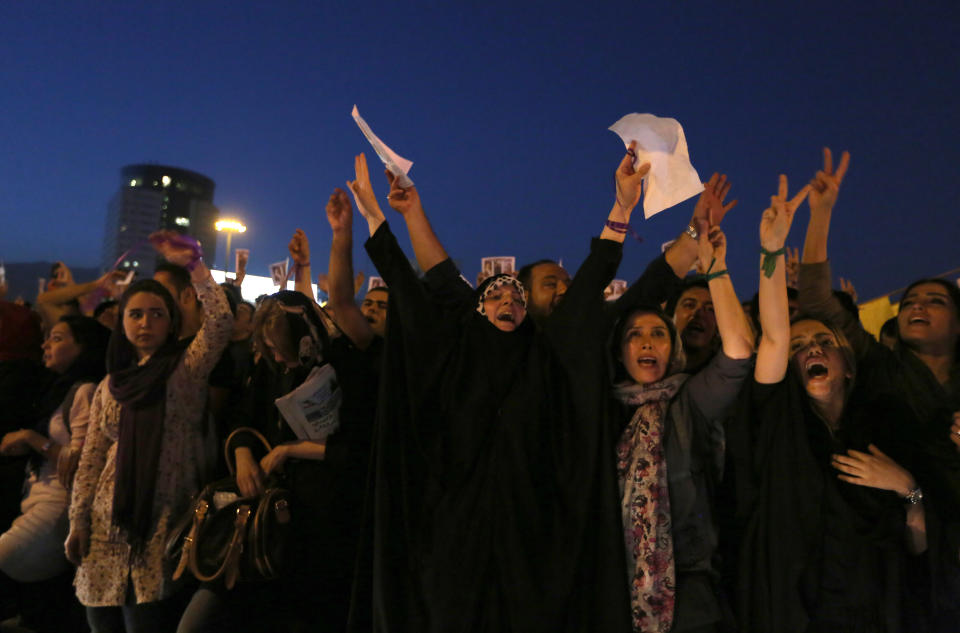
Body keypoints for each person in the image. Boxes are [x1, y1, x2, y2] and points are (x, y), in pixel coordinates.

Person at [345, 145, 647, 633]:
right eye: (496, 294)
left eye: (518, 296)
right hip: (451, 543)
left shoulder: (544, 358)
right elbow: (422, 279)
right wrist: (380, 217)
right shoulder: (457, 351)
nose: (508, 299)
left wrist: (622, 208)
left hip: (529, 550)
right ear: (478, 309)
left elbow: (591, 282)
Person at [178, 194, 379, 633]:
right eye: (265, 347)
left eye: (280, 345)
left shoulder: (343, 372)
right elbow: (243, 423)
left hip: (324, 528)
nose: (274, 355)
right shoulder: (268, 373)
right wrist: (247, 455)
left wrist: (291, 450)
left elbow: (357, 449)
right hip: (263, 525)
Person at [734, 174, 926, 632]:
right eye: (800, 347)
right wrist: (772, 253)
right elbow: (776, 333)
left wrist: (908, 490)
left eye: (824, 340)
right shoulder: (775, 421)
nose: (812, 349)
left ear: (849, 365)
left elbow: (917, 552)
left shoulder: (882, 433)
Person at [798, 148, 960, 628]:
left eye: (935, 301)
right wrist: (821, 215)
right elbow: (816, 301)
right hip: (908, 554)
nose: (917, 306)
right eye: (910, 300)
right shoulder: (881, 369)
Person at [65, 232, 232, 633]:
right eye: (135, 314)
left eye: (157, 313)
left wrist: (194, 267)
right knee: (101, 622)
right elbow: (92, 458)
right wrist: (78, 520)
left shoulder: (185, 370)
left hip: (162, 525)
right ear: (121, 323)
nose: (145, 323)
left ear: (172, 321)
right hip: (106, 527)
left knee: (146, 621)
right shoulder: (111, 386)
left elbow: (221, 323)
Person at [613, 216, 753, 631]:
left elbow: (738, 354)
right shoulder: (603, 409)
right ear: (619, 351)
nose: (646, 342)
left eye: (658, 333)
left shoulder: (686, 401)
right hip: (612, 584)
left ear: (671, 348)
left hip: (690, 588)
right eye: (634, 335)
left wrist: (717, 269)